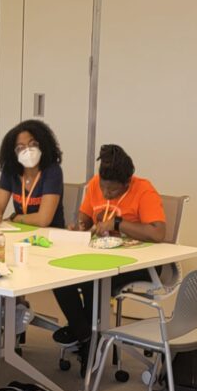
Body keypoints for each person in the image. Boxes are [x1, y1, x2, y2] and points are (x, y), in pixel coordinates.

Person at [51, 144, 169, 349]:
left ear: (127, 183)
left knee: (91, 281)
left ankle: (86, 341)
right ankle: (85, 334)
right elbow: (85, 217)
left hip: (139, 264)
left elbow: (157, 234)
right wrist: (80, 225)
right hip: (102, 257)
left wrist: (117, 223)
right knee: (58, 276)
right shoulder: (96, 183)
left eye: (112, 189)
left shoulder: (143, 190)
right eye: (103, 187)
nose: (105, 193)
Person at [0, 119, 65, 229]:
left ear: (42, 144)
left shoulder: (52, 171)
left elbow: (43, 219)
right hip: (22, 232)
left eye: (33, 144)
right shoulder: (11, 170)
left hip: (50, 235)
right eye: (20, 147)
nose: (28, 150)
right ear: (13, 153)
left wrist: (15, 218)